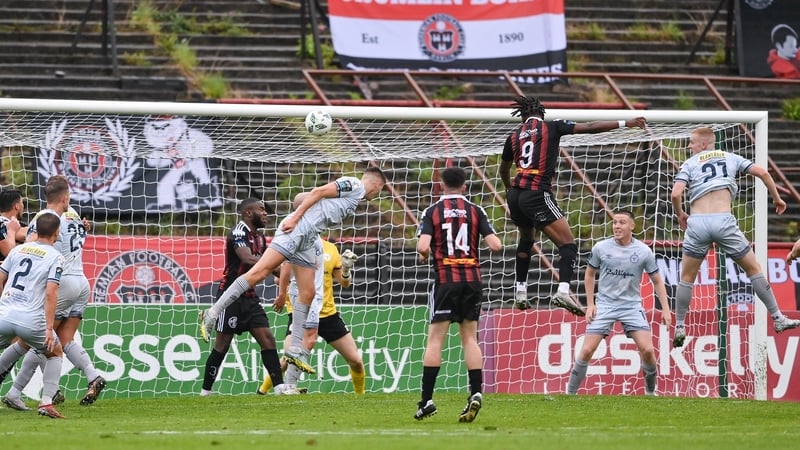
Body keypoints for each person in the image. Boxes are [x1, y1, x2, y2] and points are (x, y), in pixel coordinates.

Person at [201, 166, 387, 363]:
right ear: (377, 184)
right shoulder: (355, 184)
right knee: (260, 272)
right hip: (297, 229)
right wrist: (296, 218)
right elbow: (318, 192)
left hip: (309, 237)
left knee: (308, 293)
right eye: (381, 189)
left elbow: (302, 198)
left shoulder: (354, 195)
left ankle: (295, 348)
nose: (378, 193)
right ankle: (211, 313)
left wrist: (301, 205)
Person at [499, 95, 647, 313]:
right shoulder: (552, 127)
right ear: (542, 113)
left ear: (522, 116)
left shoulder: (513, 136)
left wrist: (508, 188)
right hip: (536, 193)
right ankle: (563, 291)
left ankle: (520, 291)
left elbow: (503, 170)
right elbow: (591, 126)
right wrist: (627, 123)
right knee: (568, 245)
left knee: (527, 239)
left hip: (516, 196)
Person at [670, 127, 800, 348]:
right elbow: (764, 173)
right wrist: (777, 199)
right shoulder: (731, 157)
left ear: (703, 144)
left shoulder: (689, 164)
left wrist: (681, 213)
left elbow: (675, 193)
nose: (688, 146)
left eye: (691, 142)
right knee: (754, 269)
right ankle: (778, 318)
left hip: (698, 222)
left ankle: (680, 325)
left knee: (687, 278)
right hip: (724, 221)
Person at [0, 176, 105, 407]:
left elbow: (29, 249)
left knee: (35, 342)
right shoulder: (74, 214)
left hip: (61, 282)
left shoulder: (43, 219)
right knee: (65, 339)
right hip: (82, 283)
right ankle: (92, 375)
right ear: (66, 197)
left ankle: (17, 392)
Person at [414, 166, 502, 423]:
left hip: (446, 280)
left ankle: (427, 400)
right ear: (465, 186)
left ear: (441, 185)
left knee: (435, 341)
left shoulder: (432, 211)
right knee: (470, 339)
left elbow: (422, 246)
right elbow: (496, 245)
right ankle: (475, 393)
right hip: (472, 281)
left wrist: (424, 254)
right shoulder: (476, 210)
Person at [566, 210, 671, 396]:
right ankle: (570, 393)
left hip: (631, 306)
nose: (616, 226)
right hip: (605, 305)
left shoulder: (643, 251)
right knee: (587, 350)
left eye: (622, 222)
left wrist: (666, 309)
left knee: (647, 350)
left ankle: (650, 392)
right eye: (614, 222)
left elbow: (657, 281)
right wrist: (590, 304)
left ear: (632, 226)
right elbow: (589, 275)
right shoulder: (601, 248)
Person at [199, 198, 290, 395]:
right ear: (249, 213)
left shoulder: (260, 237)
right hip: (230, 297)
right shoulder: (238, 232)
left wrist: (286, 278)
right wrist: (276, 268)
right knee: (222, 346)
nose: (265, 213)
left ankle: (280, 388)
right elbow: (247, 259)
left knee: (268, 340)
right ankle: (205, 391)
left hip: (250, 297)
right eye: (261, 209)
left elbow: (269, 265)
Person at [258, 239, 365, 395]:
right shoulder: (298, 243)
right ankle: (263, 392)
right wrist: (281, 289)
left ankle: (360, 398)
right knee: (290, 356)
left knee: (356, 361)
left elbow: (345, 283)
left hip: (327, 314)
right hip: (301, 312)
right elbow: (282, 273)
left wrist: (346, 269)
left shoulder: (331, 249)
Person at [0, 212, 65, 418]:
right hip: (30, 320)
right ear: (56, 233)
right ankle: (46, 402)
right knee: (55, 351)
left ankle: (14, 393)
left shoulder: (18, 250)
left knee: (20, 345)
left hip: (4, 314)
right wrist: (48, 328)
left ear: (34, 230)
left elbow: (0, 278)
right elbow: (51, 292)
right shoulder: (56, 256)